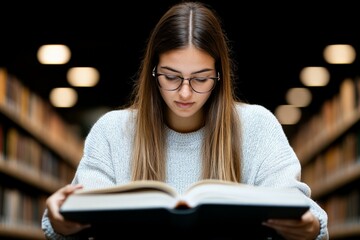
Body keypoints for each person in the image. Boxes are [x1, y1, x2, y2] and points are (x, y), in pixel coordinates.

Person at [41, 1, 329, 239]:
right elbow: (81, 211)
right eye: (171, 76)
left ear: (219, 76)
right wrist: (61, 222)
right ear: (153, 73)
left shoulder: (257, 127)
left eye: (201, 79)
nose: (185, 92)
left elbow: (298, 205)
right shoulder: (112, 131)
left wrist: (309, 226)